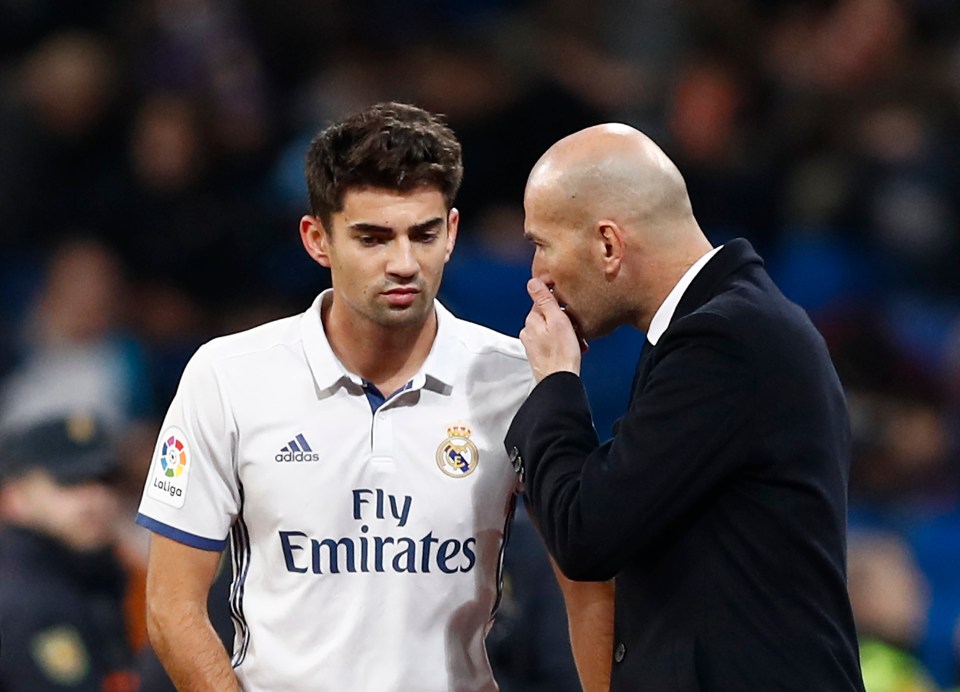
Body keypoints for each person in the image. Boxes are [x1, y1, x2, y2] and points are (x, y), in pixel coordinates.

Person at [135, 102, 598, 691]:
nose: (403, 263)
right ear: (317, 239)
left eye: (423, 234)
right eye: (373, 238)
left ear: (451, 232)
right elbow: (171, 610)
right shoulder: (228, 377)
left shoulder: (517, 380)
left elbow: (587, 578)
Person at [505, 123, 866, 690]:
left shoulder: (726, 341)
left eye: (540, 245)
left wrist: (555, 382)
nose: (536, 277)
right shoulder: (730, 328)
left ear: (607, 245)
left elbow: (586, 533)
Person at [0, 412, 137, 692]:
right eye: (70, 482)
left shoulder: (102, 570)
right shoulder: (24, 599)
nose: (94, 497)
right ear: (16, 496)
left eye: (104, 479)